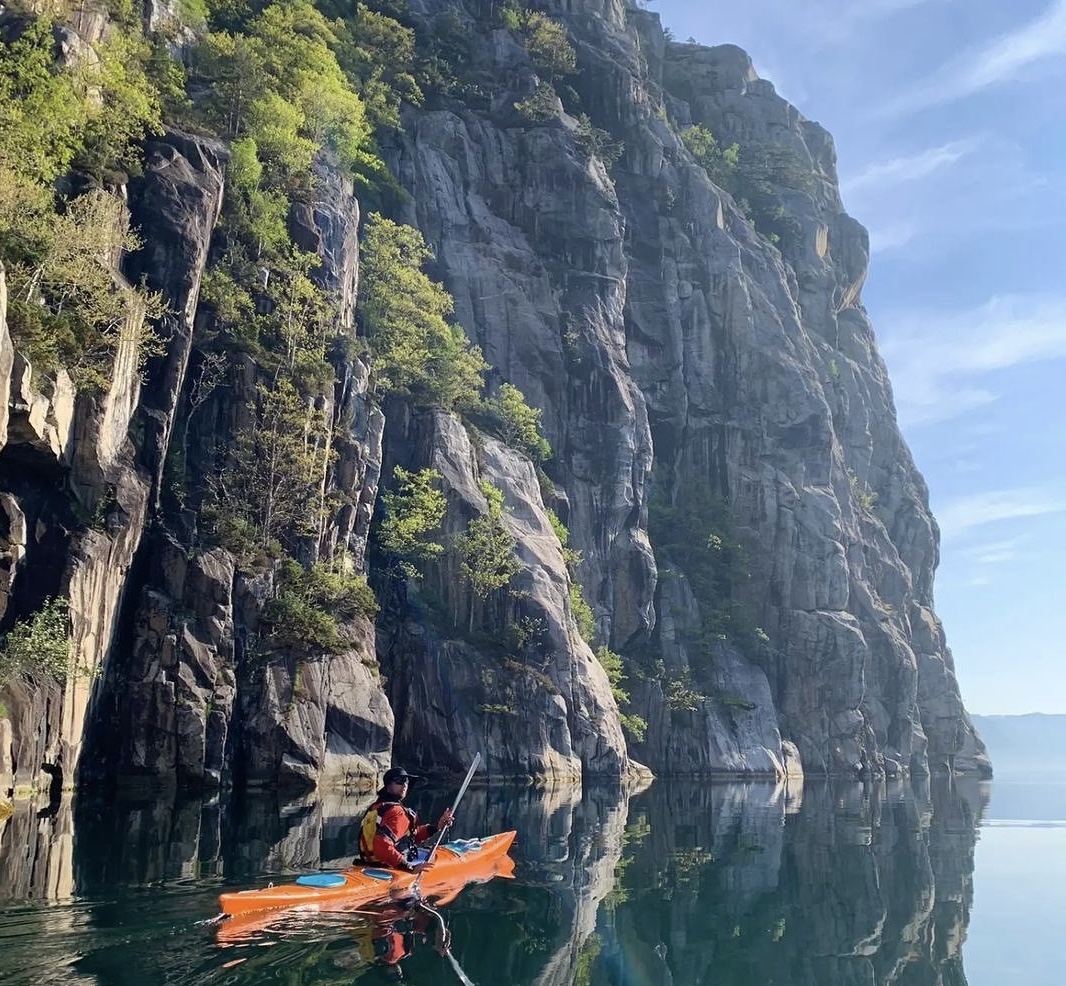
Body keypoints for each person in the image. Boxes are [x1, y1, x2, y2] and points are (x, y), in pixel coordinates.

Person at [358, 767, 455, 871]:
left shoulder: (375, 808)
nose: (404, 784)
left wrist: (437, 827)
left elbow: (412, 836)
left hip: (369, 863)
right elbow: (381, 845)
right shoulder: (396, 812)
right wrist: (409, 868)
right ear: (388, 785)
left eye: (406, 781)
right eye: (399, 781)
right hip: (390, 866)